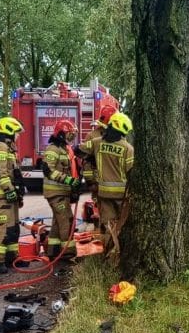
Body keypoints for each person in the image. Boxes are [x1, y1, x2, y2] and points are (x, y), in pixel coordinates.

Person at [76, 111, 134, 258]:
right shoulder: (128, 149)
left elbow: (78, 150)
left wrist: (92, 158)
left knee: (108, 226)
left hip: (103, 194)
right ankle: (121, 256)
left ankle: (108, 257)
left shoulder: (97, 143)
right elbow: (131, 173)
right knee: (123, 226)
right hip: (122, 196)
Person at [0, 116, 29, 274]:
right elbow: (1, 173)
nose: (18, 136)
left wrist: (18, 192)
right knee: (4, 229)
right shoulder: (0, 147)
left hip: (10, 195)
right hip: (3, 196)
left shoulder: (9, 148)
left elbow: (14, 173)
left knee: (13, 229)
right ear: (9, 130)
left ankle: (12, 258)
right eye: (16, 132)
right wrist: (9, 191)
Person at [41, 118, 81, 260]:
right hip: (55, 193)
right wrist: (68, 180)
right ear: (61, 134)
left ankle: (53, 251)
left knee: (57, 222)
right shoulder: (53, 149)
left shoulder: (64, 149)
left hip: (62, 192)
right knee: (66, 220)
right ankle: (68, 253)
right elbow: (48, 170)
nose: (71, 138)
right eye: (69, 134)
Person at [80, 105, 115, 195]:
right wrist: (90, 181)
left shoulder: (119, 136)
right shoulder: (92, 136)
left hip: (115, 181)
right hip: (98, 181)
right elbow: (86, 161)